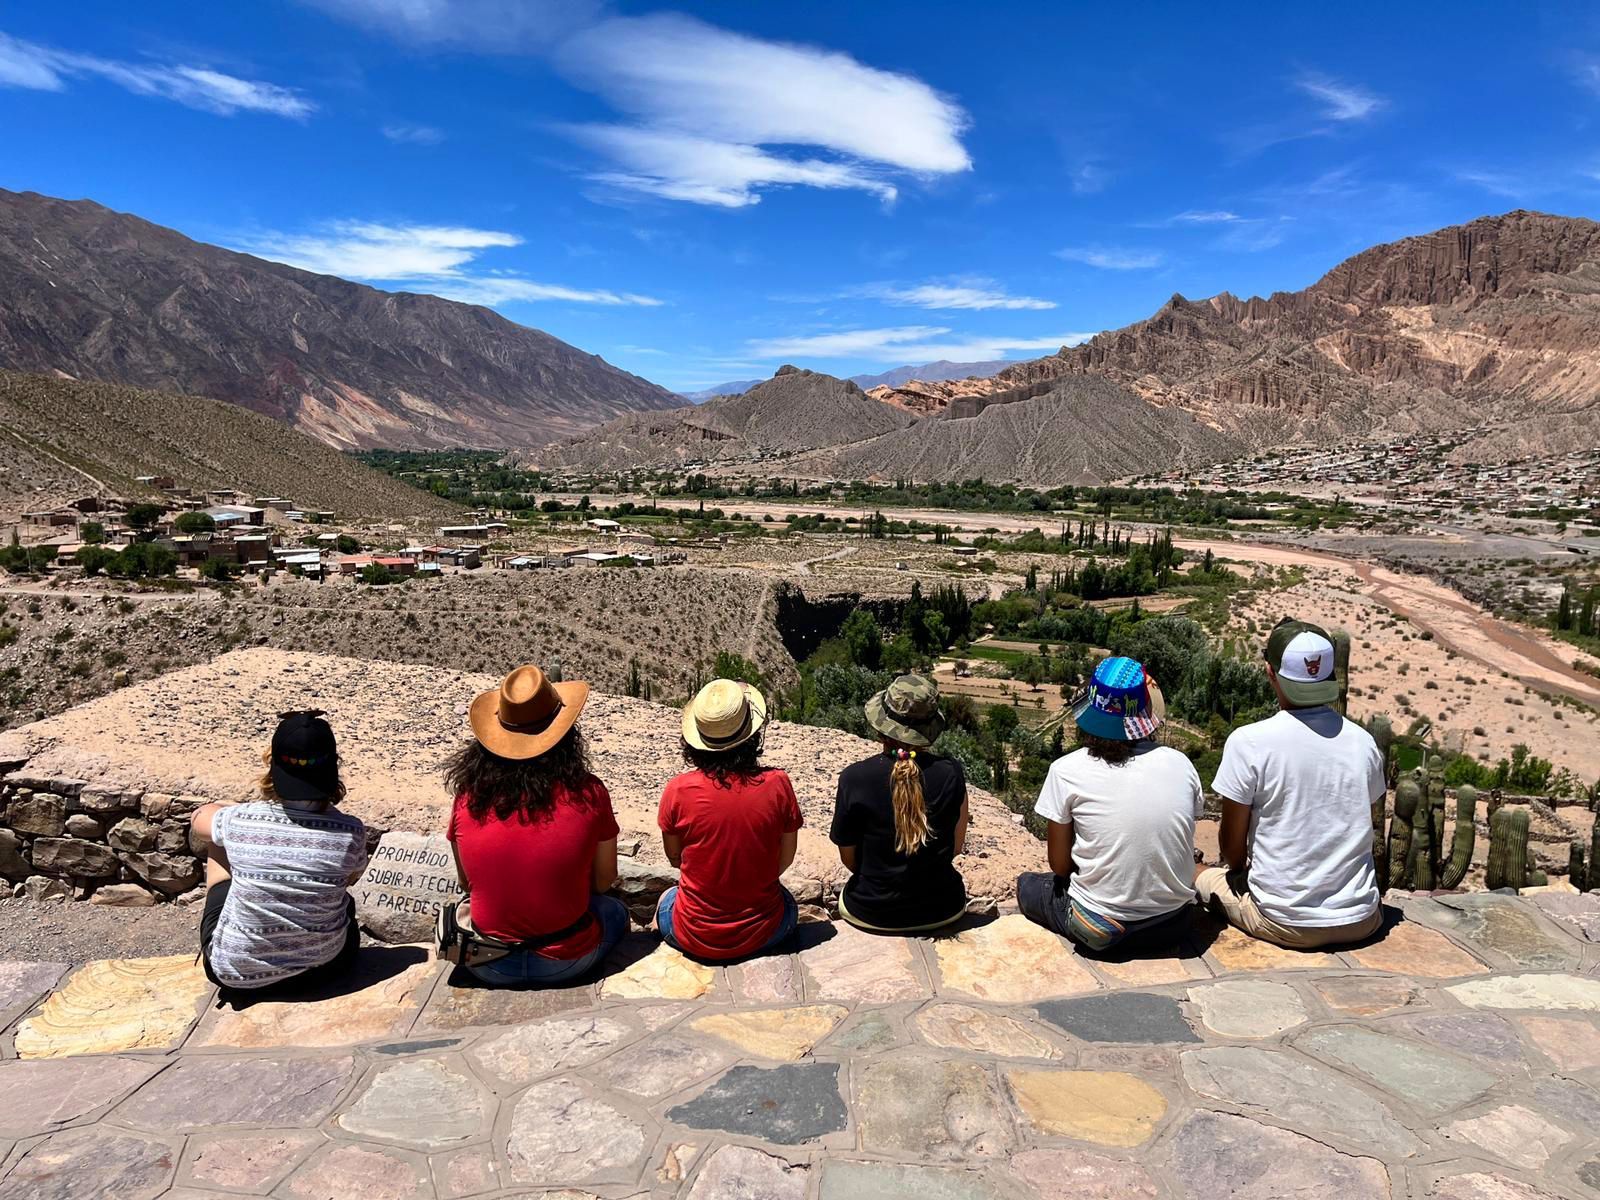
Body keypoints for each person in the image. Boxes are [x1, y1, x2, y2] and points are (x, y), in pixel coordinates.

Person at [1195, 619, 1383, 949]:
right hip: (1362, 918)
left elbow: (1231, 847)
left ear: (1270, 672)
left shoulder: (1249, 742)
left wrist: (1237, 871)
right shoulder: (1364, 742)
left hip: (1284, 920)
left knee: (1197, 874)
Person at [443, 664, 628, 986]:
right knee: (613, 911)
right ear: (567, 734)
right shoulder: (589, 793)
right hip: (567, 961)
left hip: (487, 962)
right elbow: (603, 881)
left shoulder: (468, 798)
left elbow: (466, 884)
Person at [1017, 657, 1202, 952]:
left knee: (1028, 885)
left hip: (1102, 930)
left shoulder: (1066, 770)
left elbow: (1060, 866)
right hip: (1173, 924)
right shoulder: (1180, 764)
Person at [190, 710, 368, 992]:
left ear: (272, 767)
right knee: (339, 898)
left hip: (236, 975)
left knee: (218, 838)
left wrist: (228, 809)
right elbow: (351, 878)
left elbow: (199, 819)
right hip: (325, 967)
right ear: (333, 768)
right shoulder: (352, 831)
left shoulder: (240, 820)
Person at [655, 679, 802, 961]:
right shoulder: (778, 783)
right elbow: (786, 857)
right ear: (752, 734)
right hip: (764, 931)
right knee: (787, 904)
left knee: (666, 901)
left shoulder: (677, 790)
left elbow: (675, 858)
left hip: (693, 936)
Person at [830, 673, 968, 932]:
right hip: (943, 908)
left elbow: (849, 859)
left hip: (870, 911)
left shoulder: (854, 778)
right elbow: (956, 847)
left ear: (881, 726)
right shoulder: (952, 772)